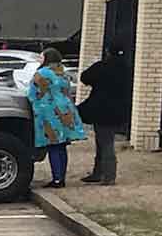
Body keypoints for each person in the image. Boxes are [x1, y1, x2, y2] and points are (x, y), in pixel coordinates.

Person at [28, 47, 88, 189]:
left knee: (53, 146)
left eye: (42, 57)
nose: (39, 59)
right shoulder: (62, 73)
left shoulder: (41, 74)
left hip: (49, 112)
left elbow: (32, 93)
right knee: (61, 146)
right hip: (65, 109)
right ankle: (61, 177)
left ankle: (56, 179)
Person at [77, 42, 132, 185]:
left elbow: (85, 77)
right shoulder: (126, 69)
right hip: (119, 110)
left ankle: (108, 176)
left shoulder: (102, 66)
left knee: (105, 143)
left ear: (108, 52)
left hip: (102, 111)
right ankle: (99, 173)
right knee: (104, 142)